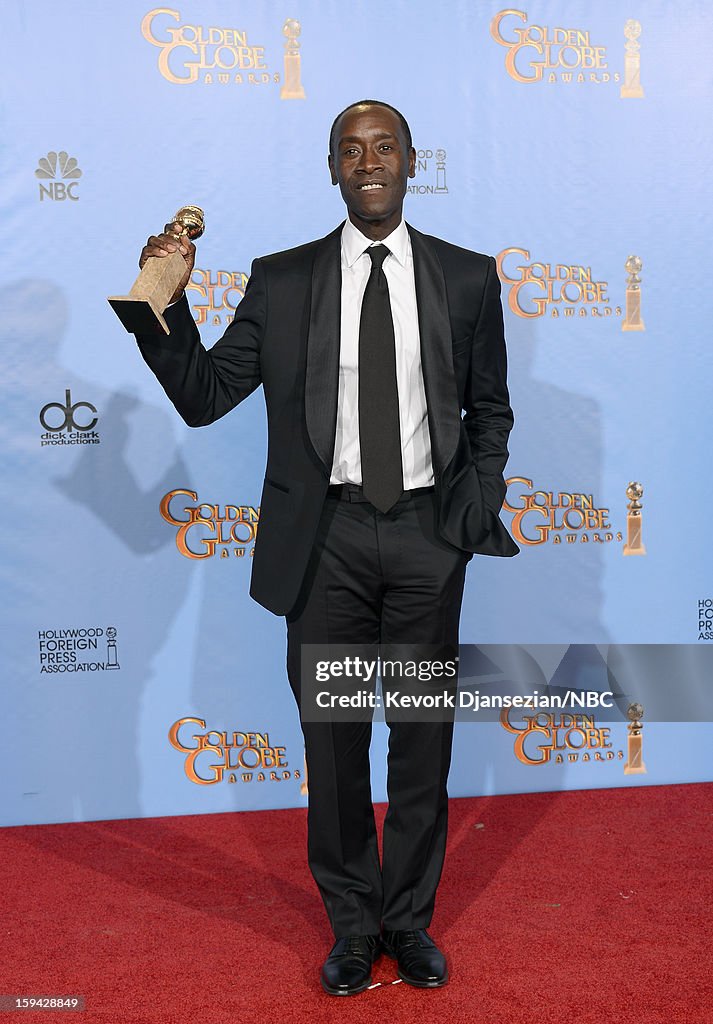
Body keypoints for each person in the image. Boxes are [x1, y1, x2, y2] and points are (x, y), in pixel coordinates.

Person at [133, 99, 518, 996]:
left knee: (421, 744)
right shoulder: (284, 279)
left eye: (384, 147)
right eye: (350, 150)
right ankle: (352, 930)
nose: (368, 161)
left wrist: (472, 510)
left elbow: (491, 408)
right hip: (328, 544)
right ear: (332, 169)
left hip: (428, 539)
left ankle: (409, 924)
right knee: (333, 746)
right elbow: (203, 394)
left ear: (412, 163)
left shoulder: (465, 278)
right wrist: (163, 301)